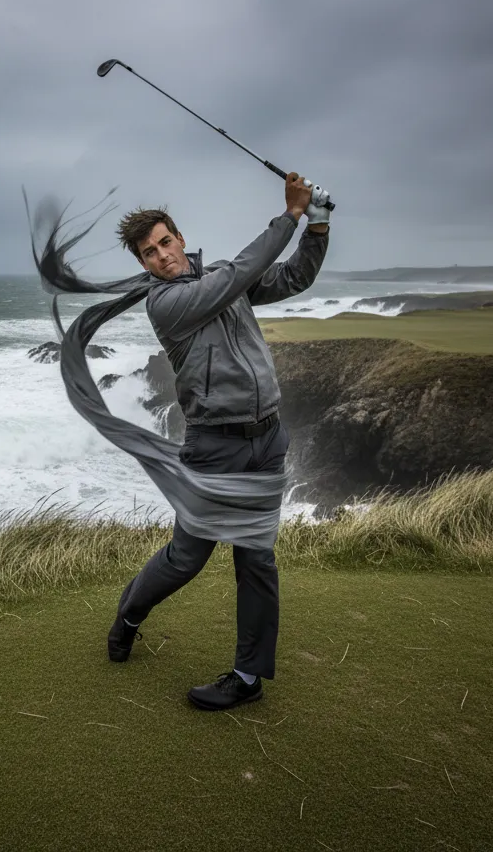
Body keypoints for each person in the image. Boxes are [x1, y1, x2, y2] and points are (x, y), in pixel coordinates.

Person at [107, 172, 331, 710]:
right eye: (149, 253)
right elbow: (239, 273)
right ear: (143, 265)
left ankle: (247, 677)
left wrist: (317, 226)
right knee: (187, 557)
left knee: (257, 560)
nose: (161, 256)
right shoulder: (167, 304)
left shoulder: (224, 279)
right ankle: (130, 614)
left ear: (180, 237)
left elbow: (293, 277)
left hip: (267, 439)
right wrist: (290, 214)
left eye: (165, 242)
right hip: (215, 447)